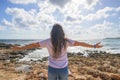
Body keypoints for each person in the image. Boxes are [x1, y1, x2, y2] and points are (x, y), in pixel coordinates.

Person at [11, 23, 103, 80]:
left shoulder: (48, 41)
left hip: (52, 69)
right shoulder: (66, 41)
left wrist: (20, 48)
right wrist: (94, 46)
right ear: (62, 32)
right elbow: (80, 43)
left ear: (52, 32)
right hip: (63, 69)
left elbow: (33, 45)